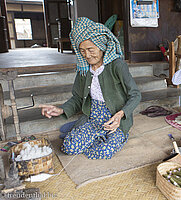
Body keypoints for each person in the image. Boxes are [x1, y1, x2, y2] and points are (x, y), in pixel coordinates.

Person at [39, 17, 141, 159]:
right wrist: (61, 109)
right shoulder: (84, 69)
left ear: (101, 45)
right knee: (68, 147)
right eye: (82, 51)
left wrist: (120, 115)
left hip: (114, 120)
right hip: (93, 118)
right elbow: (78, 98)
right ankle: (89, 133)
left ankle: (110, 136)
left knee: (103, 152)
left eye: (90, 49)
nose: (87, 55)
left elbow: (135, 94)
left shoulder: (117, 66)